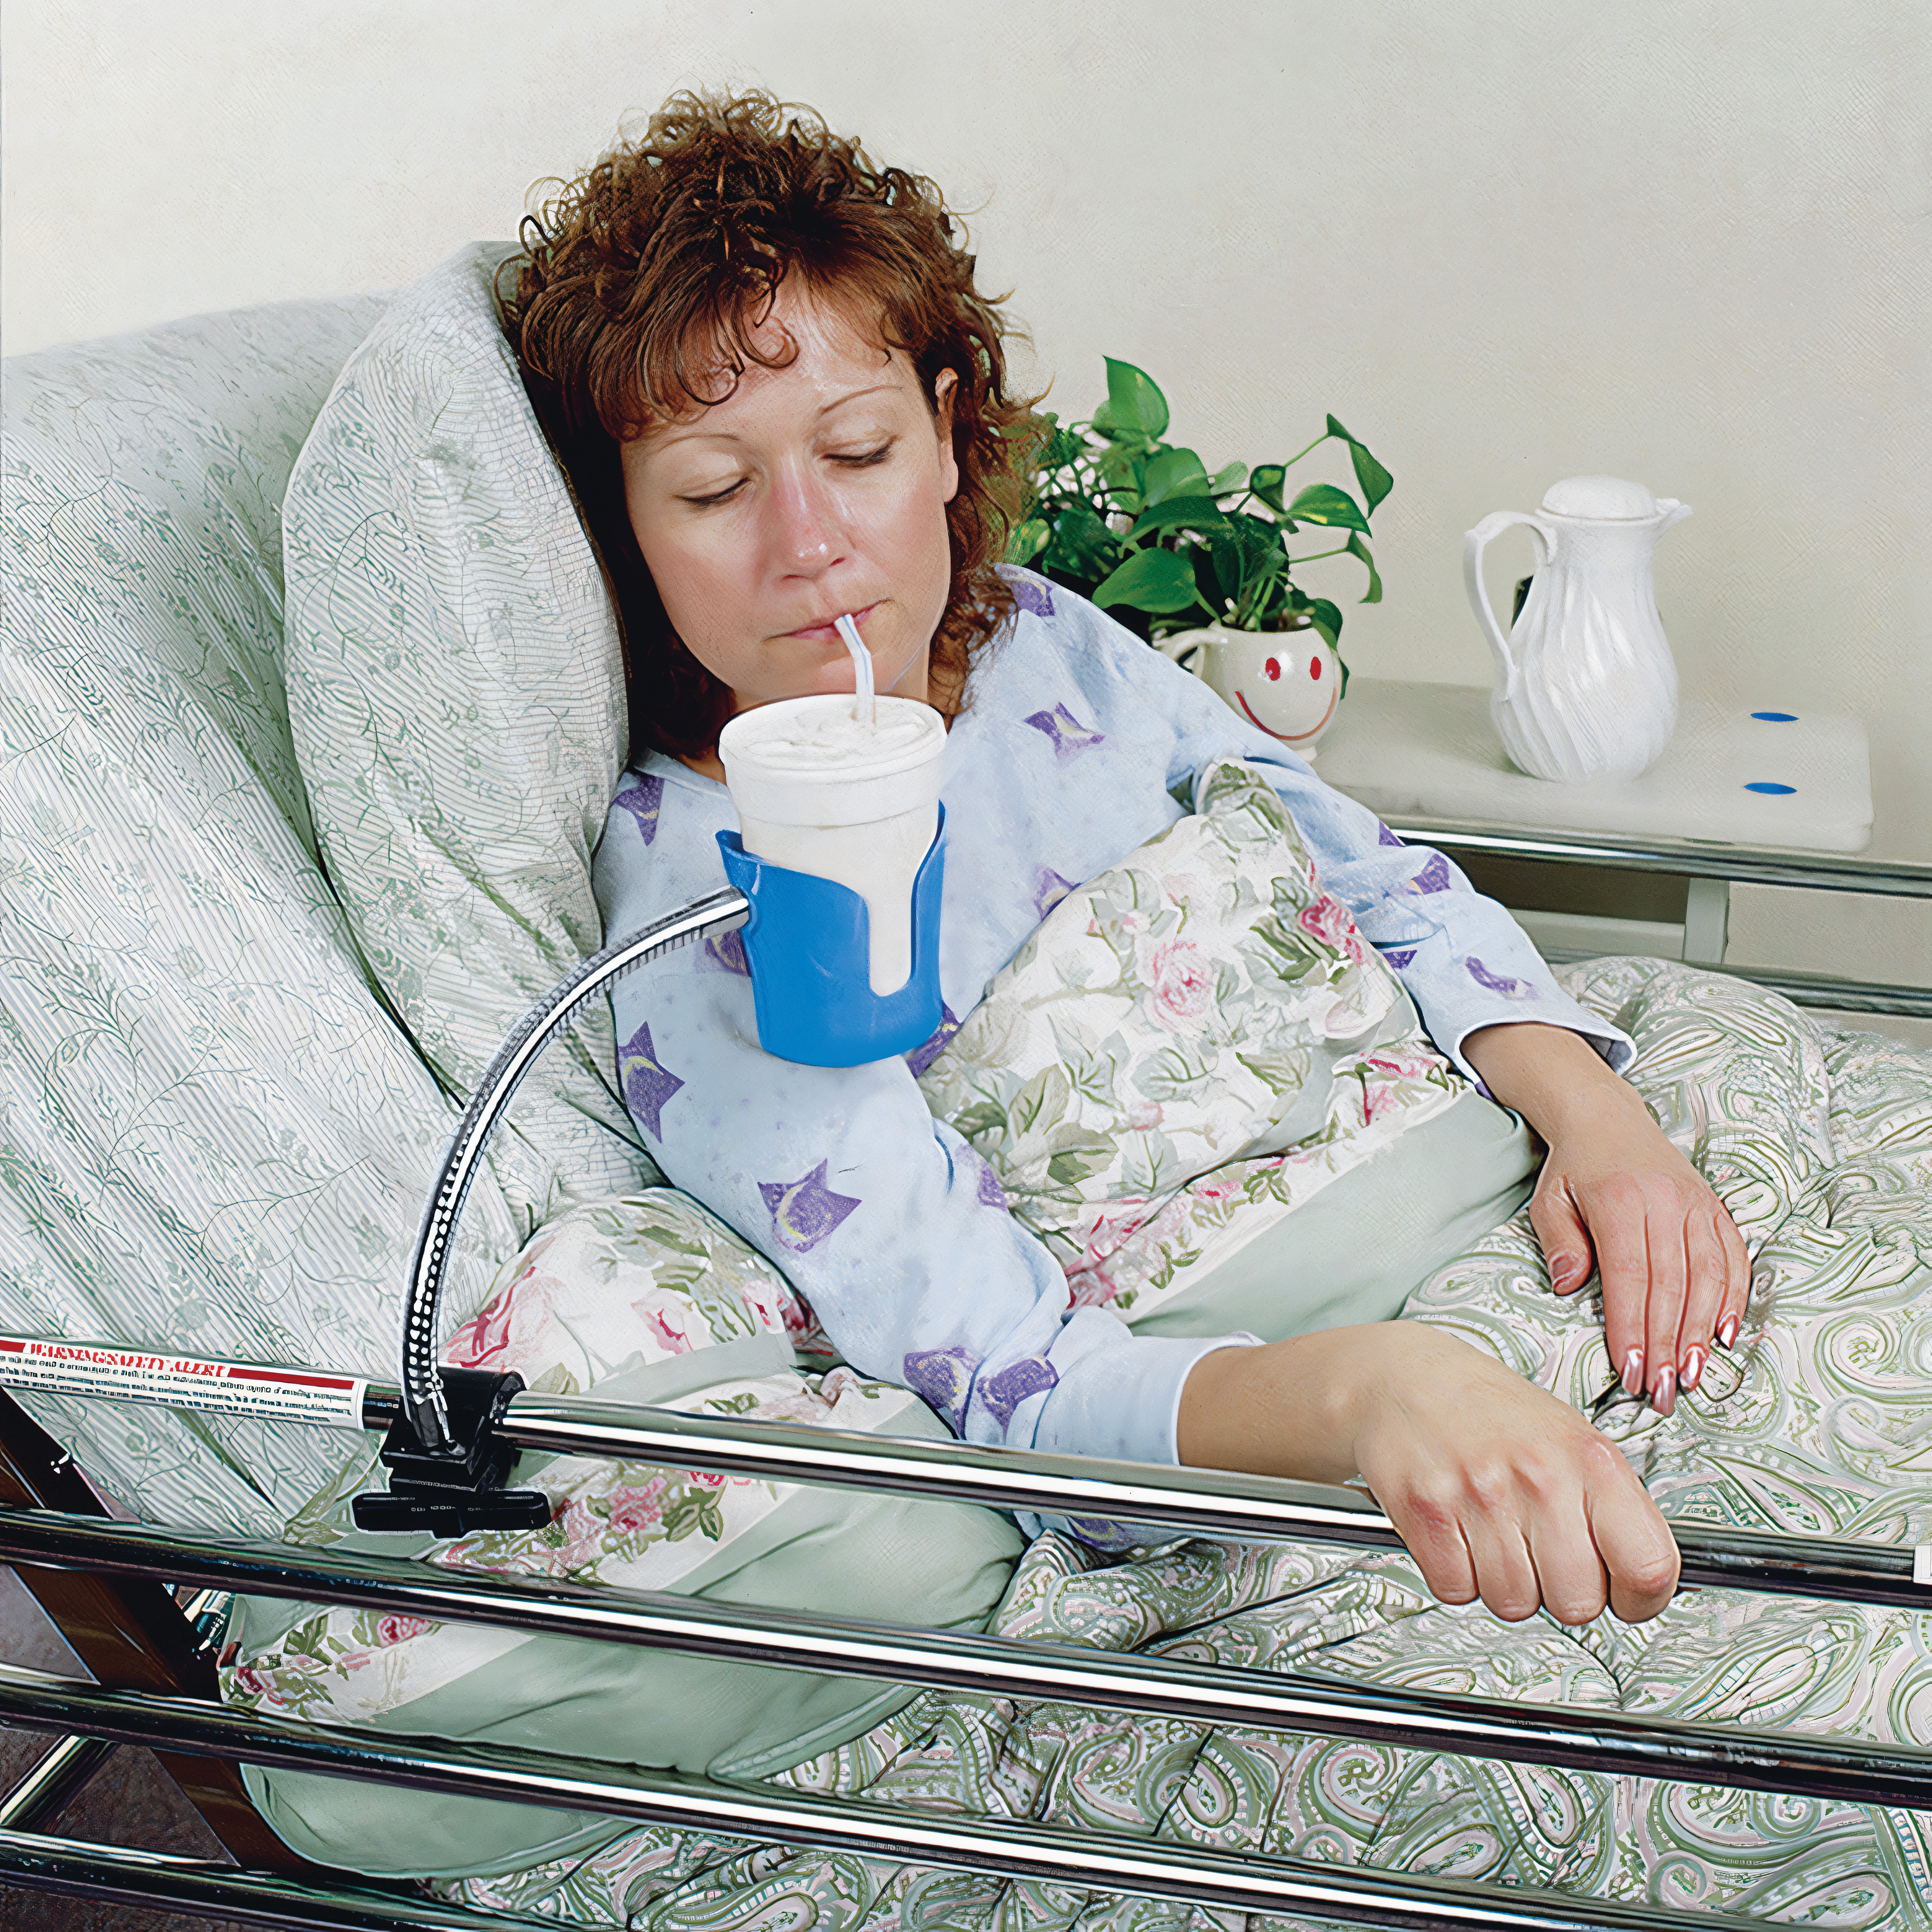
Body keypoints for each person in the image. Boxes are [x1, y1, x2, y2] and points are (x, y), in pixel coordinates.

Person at [504, 88, 1749, 1631]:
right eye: (711, 488)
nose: (808, 540)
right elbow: (1004, 1378)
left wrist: (1603, 1125)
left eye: (861, 447)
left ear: (952, 438)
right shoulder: (704, 908)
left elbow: (1375, 881)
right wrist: (1377, 1389)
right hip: (1315, 1396)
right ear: (621, 536)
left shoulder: (1037, 645)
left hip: (1534, 1202)